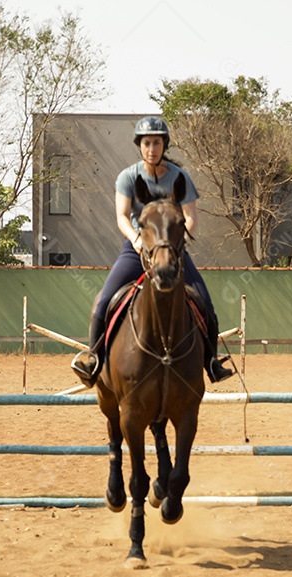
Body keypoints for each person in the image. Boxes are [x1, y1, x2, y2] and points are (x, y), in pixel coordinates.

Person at [71, 115, 235, 388]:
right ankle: (93, 361)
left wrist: (178, 241)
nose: (152, 148)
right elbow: (122, 216)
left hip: (173, 250)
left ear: (164, 144)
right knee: (104, 301)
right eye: (146, 143)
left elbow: (190, 217)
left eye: (157, 143)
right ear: (139, 145)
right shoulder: (127, 177)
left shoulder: (180, 177)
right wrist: (136, 239)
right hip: (137, 249)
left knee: (204, 302)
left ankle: (212, 363)